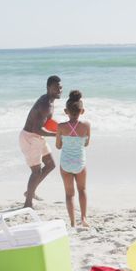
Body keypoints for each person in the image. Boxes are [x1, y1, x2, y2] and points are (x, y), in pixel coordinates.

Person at [19, 75, 62, 208]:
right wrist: (58, 135)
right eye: (56, 88)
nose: (59, 90)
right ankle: (28, 204)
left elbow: (45, 124)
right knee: (36, 172)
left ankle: (29, 193)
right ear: (48, 88)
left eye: (60, 88)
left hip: (37, 137)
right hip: (30, 138)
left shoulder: (49, 100)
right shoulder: (45, 105)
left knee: (50, 165)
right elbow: (37, 129)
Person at [55, 90, 91, 227]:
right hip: (79, 163)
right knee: (82, 190)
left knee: (69, 194)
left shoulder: (61, 127)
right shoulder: (86, 125)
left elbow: (58, 146)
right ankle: (83, 218)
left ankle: (72, 222)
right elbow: (86, 143)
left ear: (66, 111)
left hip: (65, 164)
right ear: (82, 111)